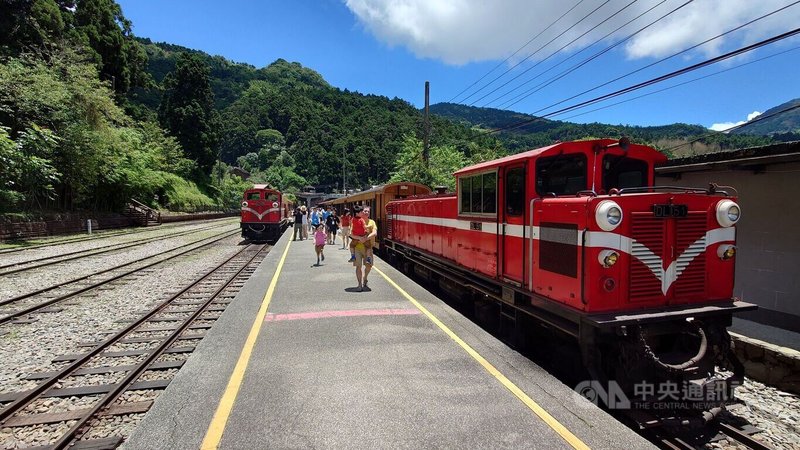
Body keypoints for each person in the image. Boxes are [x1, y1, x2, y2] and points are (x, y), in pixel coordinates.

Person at [352, 206, 378, 291]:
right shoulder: (355, 221)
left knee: (368, 266)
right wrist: (359, 238)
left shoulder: (372, 222)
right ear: (361, 212)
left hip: (368, 248)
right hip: (357, 248)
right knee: (358, 266)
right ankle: (359, 284)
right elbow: (350, 233)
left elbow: (374, 232)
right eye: (365, 211)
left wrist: (366, 238)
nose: (366, 213)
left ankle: (365, 278)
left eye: (368, 211)